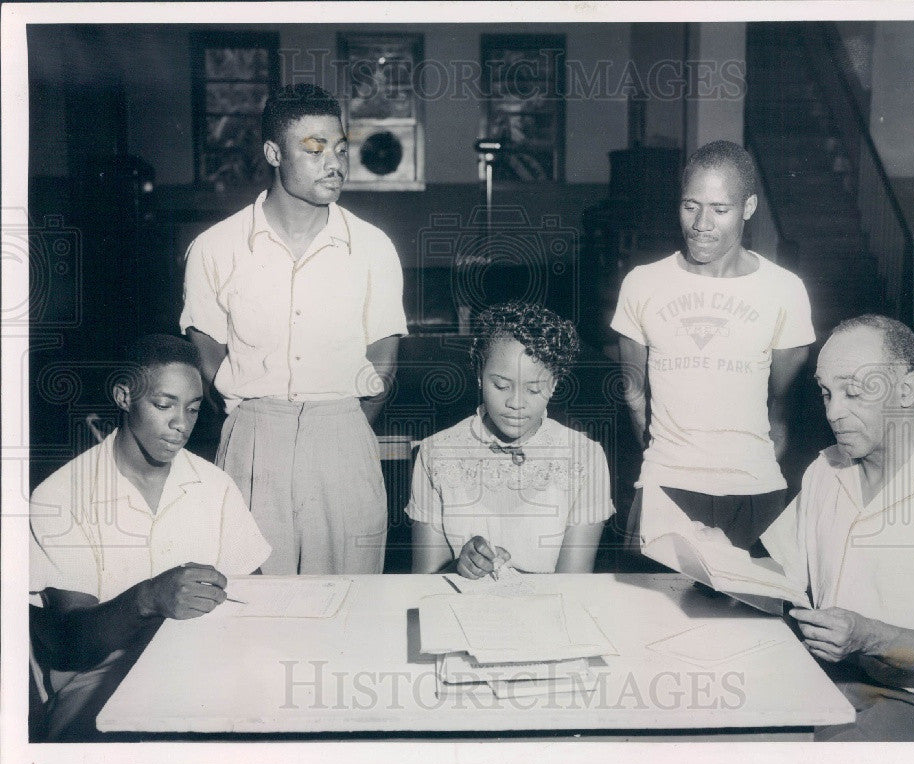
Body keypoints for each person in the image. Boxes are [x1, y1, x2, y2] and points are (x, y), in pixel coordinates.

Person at [180, 83, 408, 575]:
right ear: (273, 153)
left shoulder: (372, 249)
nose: (335, 163)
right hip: (254, 441)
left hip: (345, 435)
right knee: (251, 614)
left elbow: (383, 364)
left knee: (349, 613)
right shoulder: (214, 248)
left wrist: (336, 431)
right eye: (315, 148)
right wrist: (258, 425)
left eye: (341, 149)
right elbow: (207, 356)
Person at [29, 335, 271, 741]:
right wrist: (146, 599)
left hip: (203, 668)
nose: (181, 424)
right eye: (164, 405)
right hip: (99, 682)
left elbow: (257, 598)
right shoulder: (61, 495)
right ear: (124, 397)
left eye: (193, 409)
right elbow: (69, 644)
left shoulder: (214, 485)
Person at [761, 315, 914, 741]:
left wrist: (870, 638)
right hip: (825, 678)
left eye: (853, 391)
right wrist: (721, 564)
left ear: (905, 389)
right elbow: (782, 572)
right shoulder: (826, 470)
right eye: (827, 393)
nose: (833, 411)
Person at [612, 139, 814, 551]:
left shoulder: (784, 290)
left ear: (749, 207)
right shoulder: (642, 283)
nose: (701, 223)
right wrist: (671, 461)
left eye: (719, 210)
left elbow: (782, 402)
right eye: (691, 205)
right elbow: (634, 397)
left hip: (756, 488)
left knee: (757, 615)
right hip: (665, 485)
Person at [407, 303, 613, 578]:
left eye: (533, 389)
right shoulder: (436, 453)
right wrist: (458, 568)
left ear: (554, 385)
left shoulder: (585, 458)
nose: (516, 403)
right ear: (480, 374)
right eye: (501, 385)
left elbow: (573, 583)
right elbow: (425, 577)